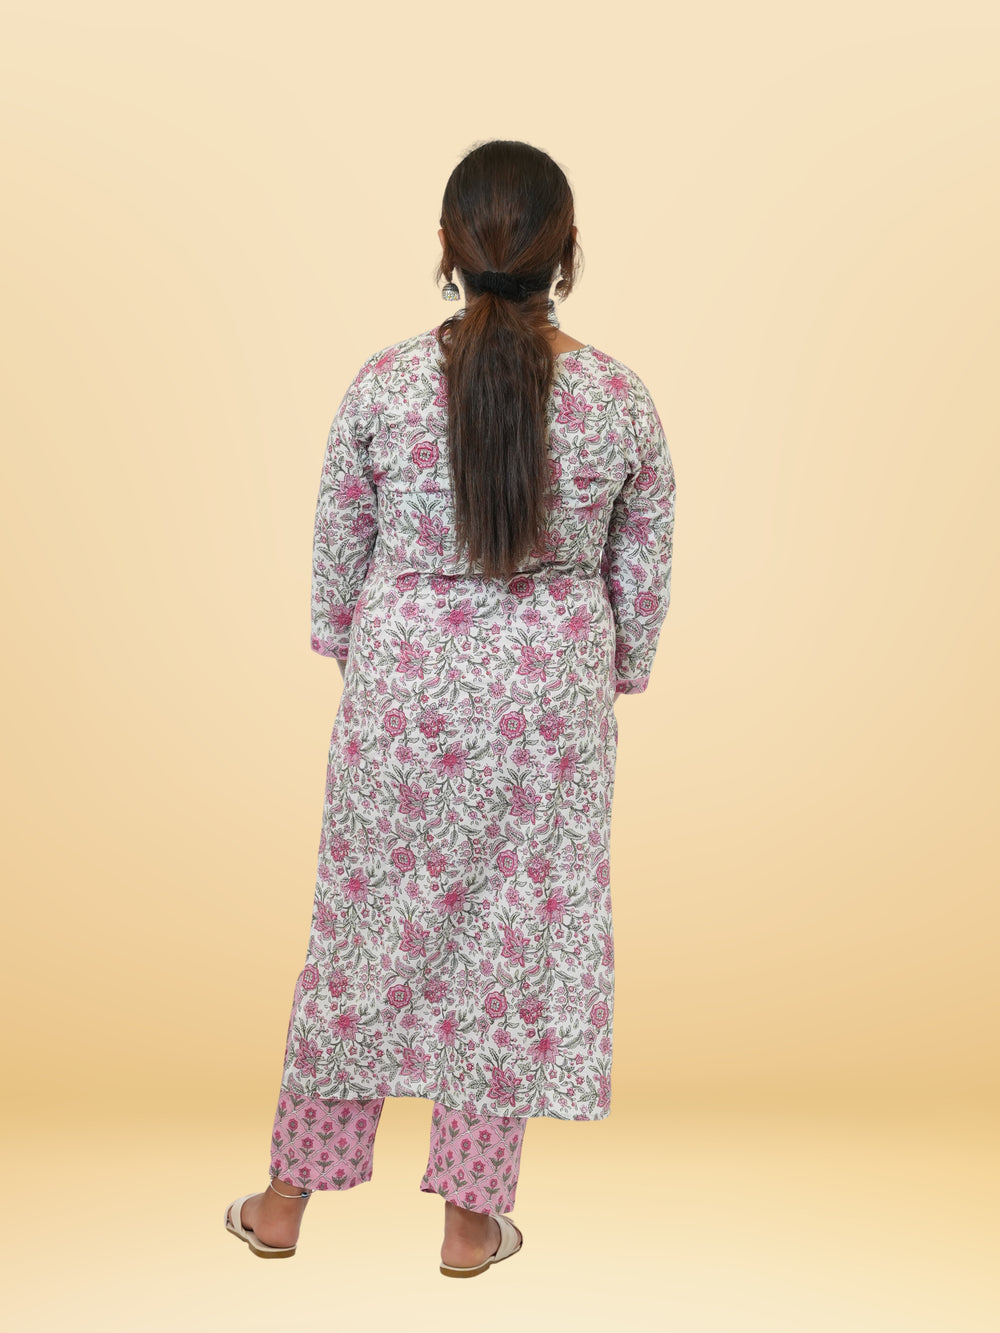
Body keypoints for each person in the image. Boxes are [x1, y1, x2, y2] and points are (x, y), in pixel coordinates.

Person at [225, 138, 677, 1278]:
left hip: (402, 697)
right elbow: (641, 574)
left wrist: (376, 659)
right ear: (567, 252)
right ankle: (471, 1224)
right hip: (548, 711)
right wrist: (611, 671)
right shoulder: (619, 399)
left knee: (362, 936)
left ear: (445, 246)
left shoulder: (382, 385)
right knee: (506, 950)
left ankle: (283, 1203)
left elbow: (338, 558)